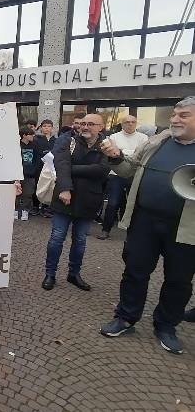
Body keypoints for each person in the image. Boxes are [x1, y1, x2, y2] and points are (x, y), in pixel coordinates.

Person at [99, 97, 195, 354]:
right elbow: (129, 170)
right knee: (134, 271)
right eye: (174, 114)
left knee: (179, 279)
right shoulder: (157, 142)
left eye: (183, 115)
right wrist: (116, 157)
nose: (175, 119)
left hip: (186, 228)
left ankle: (166, 326)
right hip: (145, 221)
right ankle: (126, 317)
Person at [41, 114, 109, 292]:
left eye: (90, 124)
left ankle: (73, 274)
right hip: (64, 197)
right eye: (83, 123)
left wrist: (72, 168)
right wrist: (65, 188)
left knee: (80, 240)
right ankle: (50, 273)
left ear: (101, 127)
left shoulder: (106, 146)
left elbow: (102, 170)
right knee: (56, 238)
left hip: (89, 200)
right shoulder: (68, 141)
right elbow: (60, 165)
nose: (85, 127)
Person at [96, 116, 148, 240]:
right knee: (112, 203)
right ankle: (105, 230)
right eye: (127, 122)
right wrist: (130, 152)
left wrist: (121, 152)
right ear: (122, 124)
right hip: (116, 175)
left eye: (133, 122)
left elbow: (141, 154)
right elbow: (112, 153)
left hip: (134, 174)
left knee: (135, 205)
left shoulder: (143, 138)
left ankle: (134, 233)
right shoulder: (114, 137)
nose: (130, 124)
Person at [17, 127, 41, 221]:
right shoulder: (17, 145)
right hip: (18, 174)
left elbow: (37, 159)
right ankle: (16, 210)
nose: (32, 136)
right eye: (31, 135)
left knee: (28, 193)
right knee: (16, 193)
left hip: (30, 174)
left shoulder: (35, 145)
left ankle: (25, 211)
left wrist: (33, 170)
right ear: (24, 135)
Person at [33, 119, 56, 217]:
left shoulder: (55, 140)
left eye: (49, 126)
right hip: (39, 165)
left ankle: (45, 207)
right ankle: (35, 206)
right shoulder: (36, 139)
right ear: (41, 128)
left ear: (52, 128)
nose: (47, 128)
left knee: (48, 186)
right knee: (38, 185)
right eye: (45, 126)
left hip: (50, 167)